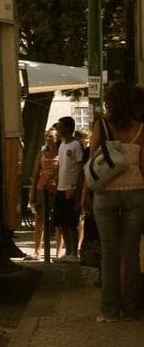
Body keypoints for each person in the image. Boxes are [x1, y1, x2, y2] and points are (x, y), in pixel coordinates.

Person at [81, 80, 144, 322]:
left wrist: (85, 193)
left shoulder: (103, 125)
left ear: (109, 102)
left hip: (105, 193)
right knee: (131, 254)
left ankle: (109, 311)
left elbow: (92, 164)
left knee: (109, 254)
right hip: (135, 193)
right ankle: (132, 309)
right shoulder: (141, 128)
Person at [52, 116, 83, 261]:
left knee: (71, 223)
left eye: (60, 127)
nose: (58, 129)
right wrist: (54, 178)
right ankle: (68, 251)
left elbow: (81, 167)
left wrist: (76, 188)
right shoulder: (62, 145)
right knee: (62, 222)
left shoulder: (76, 145)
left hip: (71, 188)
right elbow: (61, 165)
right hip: (60, 187)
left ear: (67, 128)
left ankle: (74, 253)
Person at [29, 128, 59, 260]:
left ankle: (58, 252)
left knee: (58, 220)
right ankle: (37, 251)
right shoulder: (42, 152)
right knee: (39, 219)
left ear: (57, 137)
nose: (48, 138)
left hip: (57, 189)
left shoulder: (61, 151)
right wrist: (32, 192)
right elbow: (36, 173)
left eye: (51, 136)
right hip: (42, 188)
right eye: (46, 136)